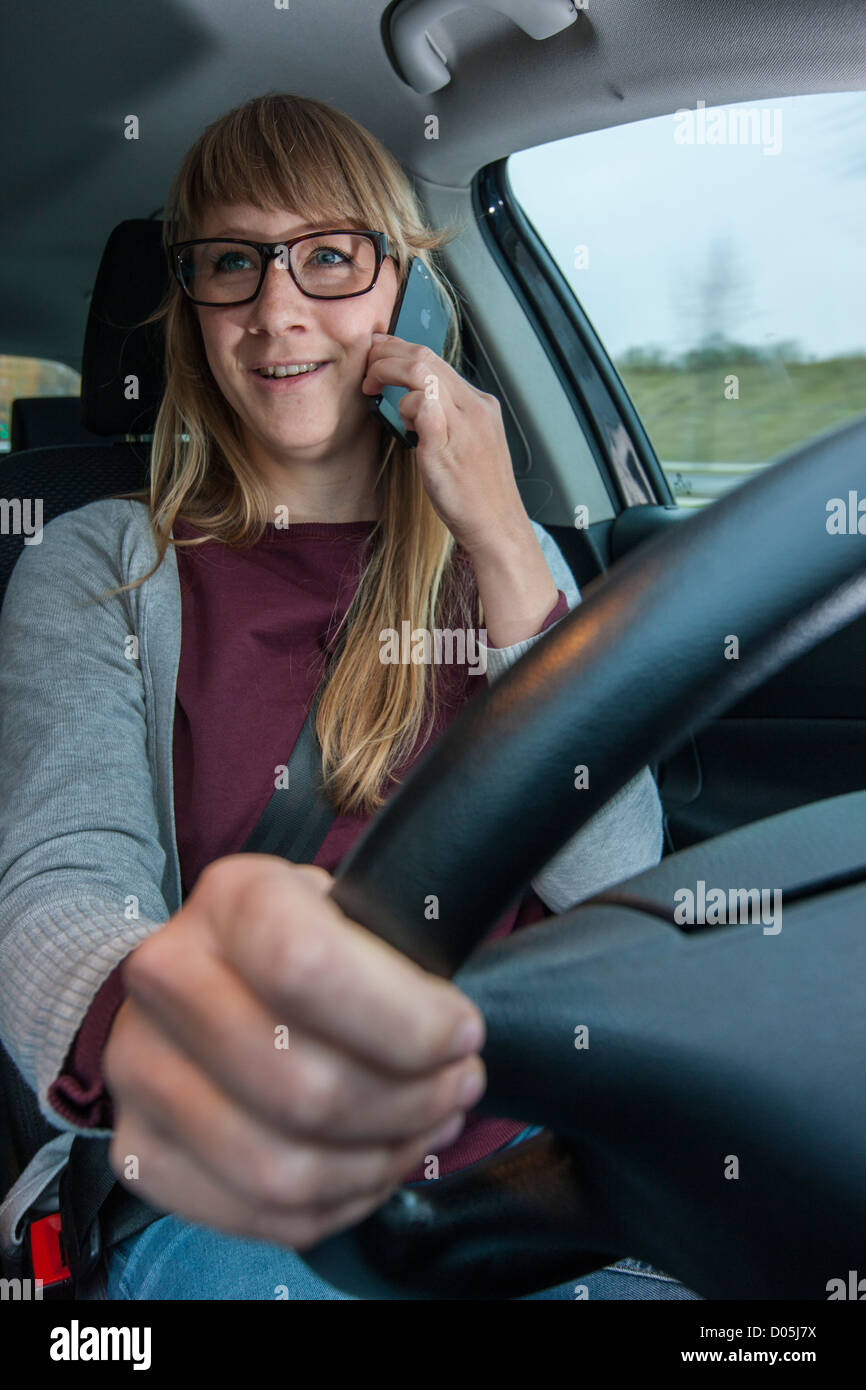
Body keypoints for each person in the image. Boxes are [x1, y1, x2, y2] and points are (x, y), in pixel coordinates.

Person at [0, 92, 695, 1301]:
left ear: (409, 296)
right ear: (191, 311)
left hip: (527, 1156)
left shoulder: (509, 557)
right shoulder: (98, 568)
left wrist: (504, 546)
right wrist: (182, 1048)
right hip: (243, 1175)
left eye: (328, 257)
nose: (277, 309)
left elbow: (615, 878)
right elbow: (64, 882)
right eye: (232, 264)